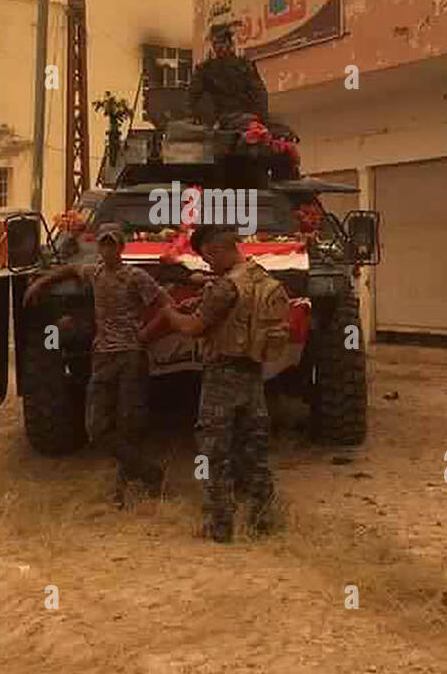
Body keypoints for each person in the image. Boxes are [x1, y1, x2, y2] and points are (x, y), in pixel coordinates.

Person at [148, 224, 282, 542]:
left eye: (207, 258)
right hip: (253, 372)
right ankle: (263, 522)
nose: (207, 265)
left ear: (214, 250)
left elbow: (195, 327)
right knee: (254, 451)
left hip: (222, 375)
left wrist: (169, 315)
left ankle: (219, 525)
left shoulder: (225, 288)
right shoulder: (259, 275)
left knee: (213, 453)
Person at [24, 223, 168, 504]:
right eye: (103, 243)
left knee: (130, 423)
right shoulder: (95, 272)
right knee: (96, 426)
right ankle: (148, 472)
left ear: (122, 247)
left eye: (113, 243)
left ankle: (126, 486)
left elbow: (164, 303)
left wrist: (148, 334)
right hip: (103, 355)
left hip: (130, 355)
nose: (108, 248)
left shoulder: (136, 276)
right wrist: (41, 283)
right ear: (98, 247)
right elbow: (69, 270)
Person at [188, 22, 269, 125]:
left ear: (230, 43)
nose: (219, 47)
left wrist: (261, 120)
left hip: (247, 118)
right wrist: (194, 119)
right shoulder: (205, 69)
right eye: (215, 43)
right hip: (220, 121)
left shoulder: (244, 66)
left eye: (222, 42)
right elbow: (192, 97)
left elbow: (259, 93)